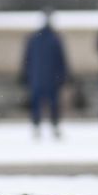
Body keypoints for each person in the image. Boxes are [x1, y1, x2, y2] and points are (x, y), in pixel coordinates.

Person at [21, 9, 70, 139]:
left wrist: (25, 74)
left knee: (42, 103)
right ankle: (48, 126)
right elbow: (61, 60)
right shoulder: (53, 38)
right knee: (47, 103)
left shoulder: (36, 38)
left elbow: (27, 59)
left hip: (40, 76)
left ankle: (42, 125)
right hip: (47, 76)